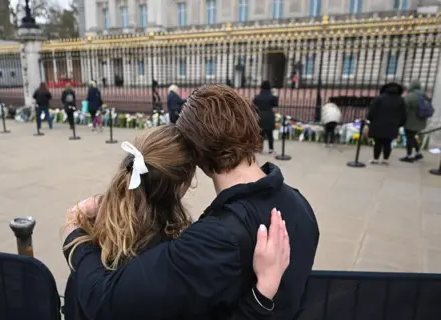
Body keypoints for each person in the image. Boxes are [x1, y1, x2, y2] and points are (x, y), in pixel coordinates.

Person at [62, 84, 319, 320]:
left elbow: (103, 301)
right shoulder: (300, 205)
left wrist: (75, 234)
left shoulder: (212, 240)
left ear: (196, 157)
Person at [367, 82, 407, 165]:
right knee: (388, 143)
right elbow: (403, 115)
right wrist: (398, 124)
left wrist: (371, 120)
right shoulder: (401, 100)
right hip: (392, 125)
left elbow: (371, 112)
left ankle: (376, 159)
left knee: (378, 142)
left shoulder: (379, 98)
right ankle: (385, 159)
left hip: (378, 124)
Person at [400, 80, 429, 163]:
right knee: (412, 137)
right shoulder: (423, 95)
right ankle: (418, 153)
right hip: (421, 121)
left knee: (409, 137)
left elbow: (404, 108)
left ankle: (409, 155)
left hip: (411, 121)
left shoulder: (410, 96)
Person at [253, 81, 278, 154]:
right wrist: (275, 95)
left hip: (260, 115)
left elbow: (254, 106)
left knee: (260, 133)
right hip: (269, 115)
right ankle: (271, 149)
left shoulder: (257, 97)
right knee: (270, 134)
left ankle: (259, 149)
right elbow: (275, 104)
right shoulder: (272, 97)